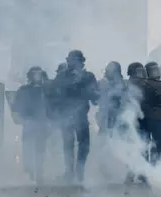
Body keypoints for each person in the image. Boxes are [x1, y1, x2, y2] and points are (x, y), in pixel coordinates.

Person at [52, 49, 99, 184]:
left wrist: (96, 94)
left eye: (74, 61)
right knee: (68, 145)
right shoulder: (62, 76)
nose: (72, 63)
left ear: (81, 62)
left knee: (84, 145)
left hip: (81, 114)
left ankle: (80, 170)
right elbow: (55, 93)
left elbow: (94, 95)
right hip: (66, 114)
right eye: (70, 61)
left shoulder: (88, 77)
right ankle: (69, 172)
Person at [134, 61, 161, 167]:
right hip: (156, 121)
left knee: (143, 146)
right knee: (156, 147)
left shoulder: (139, 85)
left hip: (142, 120)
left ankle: (144, 170)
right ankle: (155, 170)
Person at [12, 66, 51, 183]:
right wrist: (20, 118)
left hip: (42, 121)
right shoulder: (23, 90)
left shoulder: (46, 89)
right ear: (30, 76)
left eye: (39, 74)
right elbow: (16, 105)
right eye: (35, 74)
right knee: (27, 146)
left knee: (40, 148)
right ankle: (29, 169)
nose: (37, 76)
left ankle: (39, 170)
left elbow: (52, 104)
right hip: (29, 121)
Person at [97, 61, 127, 136]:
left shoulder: (124, 84)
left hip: (119, 117)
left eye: (109, 71)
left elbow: (125, 101)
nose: (107, 73)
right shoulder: (101, 83)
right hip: (104, 117)